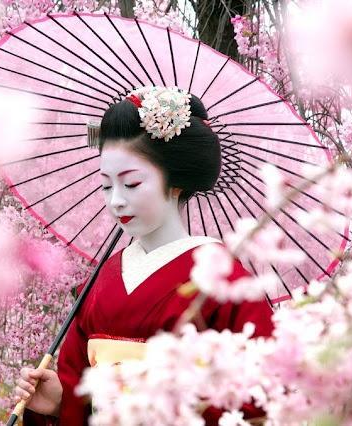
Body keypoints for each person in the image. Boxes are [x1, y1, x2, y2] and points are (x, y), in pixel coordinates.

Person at [15, 86, 274, 425]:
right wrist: (61, 403)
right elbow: (79, 384)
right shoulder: (102, 280)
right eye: (107, 185)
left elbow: (260, 398)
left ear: (176, 181)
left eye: (132, 184)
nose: (116, 201)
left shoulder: (224, 280)